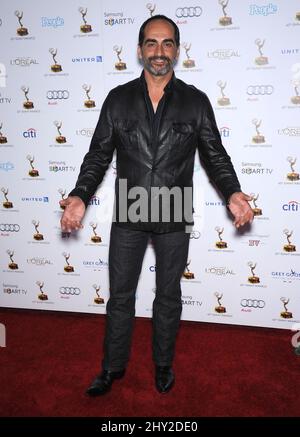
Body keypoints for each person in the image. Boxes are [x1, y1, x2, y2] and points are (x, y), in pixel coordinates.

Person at [60, 15, 254, 396]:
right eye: (151, 43)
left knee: (168, 295)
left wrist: (232, 191)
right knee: (120, 296)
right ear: (139, 50)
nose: (159, 51)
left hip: (173, 206)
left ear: (177, 52)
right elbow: (98, 155)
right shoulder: (118, 99)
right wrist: (80, 195)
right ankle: (112, 368)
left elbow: (215, 155)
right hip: (131, 207)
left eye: (167, 44)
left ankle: (163, 364)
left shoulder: (196, 101)